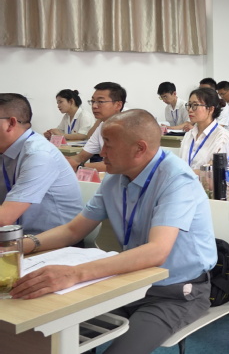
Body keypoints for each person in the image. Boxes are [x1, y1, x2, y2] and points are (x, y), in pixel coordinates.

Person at [11, 110, 217, 354]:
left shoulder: (177, 180)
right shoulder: (115, 177)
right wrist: (17, 246)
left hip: (175, 291)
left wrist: (75, 273)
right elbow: (73, 230)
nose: (102, 152)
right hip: (127, 281)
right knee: (47, 337)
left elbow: (157, 251)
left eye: (108, 144)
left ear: (139, 149)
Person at [0, 93, 82, 234]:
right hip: (18, 237)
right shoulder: (5, 149)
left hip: (52, 241)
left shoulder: (39, 154)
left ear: (11, 123)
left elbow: (4, 218)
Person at [67, 81, 126, 173]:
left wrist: (79, 166)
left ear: (118, 105)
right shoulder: (102, 126)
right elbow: (81, 157)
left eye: (100, 101)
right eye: (93, 101)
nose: (94, 106)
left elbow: (117, 165)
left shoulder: (127, 128)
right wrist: (62, 160)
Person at [178, 87, 229, 173]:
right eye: (189, 105)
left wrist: (182, 173)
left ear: (210, 109)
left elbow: (211, 170)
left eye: (195, 105)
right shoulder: (189, 134)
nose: (190, 110)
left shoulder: (222, 136)